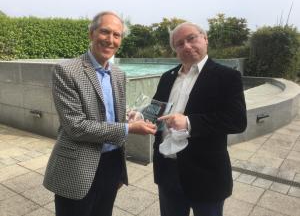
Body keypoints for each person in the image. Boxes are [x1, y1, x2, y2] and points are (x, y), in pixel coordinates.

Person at [43, 11, 157, 216]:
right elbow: (76, 127)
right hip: (78, 166)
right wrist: (128, 128)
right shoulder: (67, 70)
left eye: (117, 35)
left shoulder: (119, 74)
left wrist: (128, 117)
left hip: (112, 163)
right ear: (91, 34)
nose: (110, 40)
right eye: (105, 32)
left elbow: (112, 114)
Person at [152, 22, 247, 216]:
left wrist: (189, 122)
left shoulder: (227, 76)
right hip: (167, 170)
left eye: (191, 38)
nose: (186, 46)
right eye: (179, 43)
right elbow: (156, 110)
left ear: (205, 38)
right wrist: (141, 115)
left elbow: (237, 120)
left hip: (205, 173)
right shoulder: (167, 77)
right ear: (175, 50)